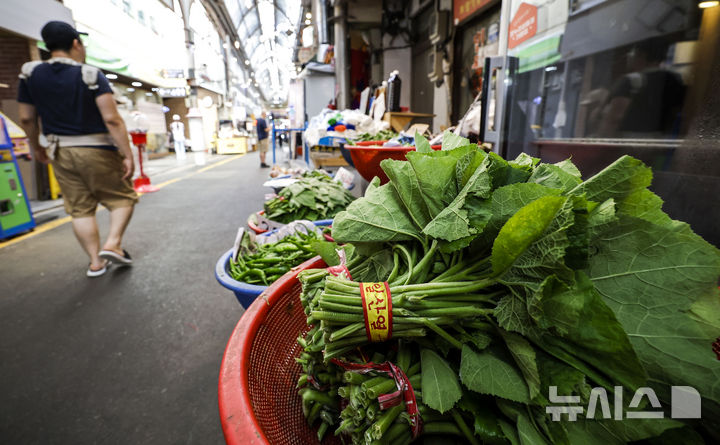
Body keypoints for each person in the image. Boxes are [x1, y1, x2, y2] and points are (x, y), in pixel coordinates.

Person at [17, 21, 137, 277]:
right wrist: (127, 153)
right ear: (75, 44)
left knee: (80, 208)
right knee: (122, 198)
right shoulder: (90, 75)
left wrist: (35, 144)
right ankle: (113, 244)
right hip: (97, 149)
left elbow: (26, 117)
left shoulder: (31, 74)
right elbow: (112, 118)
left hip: (59, 150)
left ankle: (95, 263)